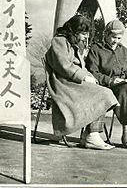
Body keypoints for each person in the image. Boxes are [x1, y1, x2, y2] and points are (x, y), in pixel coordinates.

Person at [45, 14, 119, 150]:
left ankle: (89, 134)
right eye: (83, 33)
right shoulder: (59, 41)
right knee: (104, 94)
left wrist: (91, 77)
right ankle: (92, 135)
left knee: (102, 91)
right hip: (64, 83)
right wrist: (84, 77)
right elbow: (63, 65)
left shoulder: (75, 44)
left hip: (73, 81)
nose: (85, 37)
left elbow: (82, 67)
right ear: (74, 31)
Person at [86, 19, 127, 150]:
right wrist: (110, 80)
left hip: (123, 84)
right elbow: (92, 72)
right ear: (106, 35)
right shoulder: (96, 49)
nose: (115, 40)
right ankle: (126, 131)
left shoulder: (124, 51)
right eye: (113, 37)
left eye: (119, 38)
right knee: (126, 90)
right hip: (107, 86)